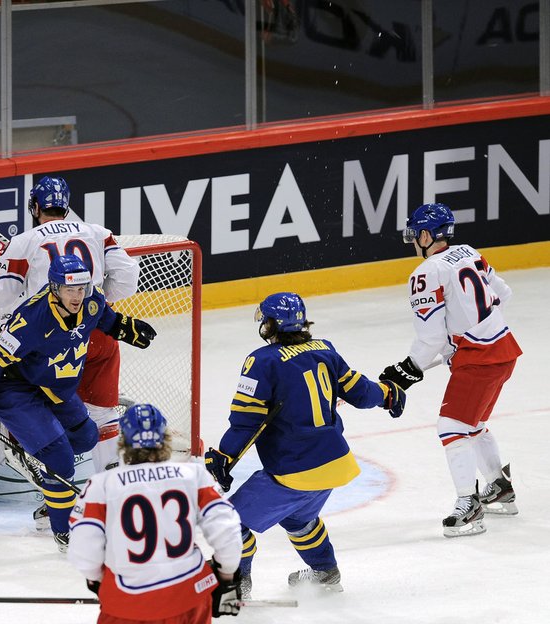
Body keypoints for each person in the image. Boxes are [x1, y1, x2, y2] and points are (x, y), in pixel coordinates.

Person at [204, 292, 405, 597]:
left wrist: (224, 455)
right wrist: (387, 393)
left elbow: (247, 420)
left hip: (295, 469)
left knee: (230, 521)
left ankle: (234, 585)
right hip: (335, 464)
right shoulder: (326, 350)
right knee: (299, 519)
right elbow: (361, 393)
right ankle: (325, 572)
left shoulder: (261, 361)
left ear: (270, 325)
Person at [0, 254, 156, 551]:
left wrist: (125, 327)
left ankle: (44, 466)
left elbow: (104, 317)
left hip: (52, 386)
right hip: (14, 389)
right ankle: (65, 532)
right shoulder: (32, 320)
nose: (77, 296)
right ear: (54, 288)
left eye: (82, 288)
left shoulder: (90, 303)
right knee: (61, 458)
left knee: (87, 436)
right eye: (69, 289)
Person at [0, 175, 140, 503]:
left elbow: (3, 296)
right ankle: (113, 497)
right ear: (66, 205)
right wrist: (91, 304)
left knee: (35, 406)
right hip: (97, 335)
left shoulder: (23, 241)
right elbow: (128, 280)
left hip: (48, 341)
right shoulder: (97, 232)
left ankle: (51, 490)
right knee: (104, 415)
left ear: (34, 207)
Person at [379, 203, 522, 537]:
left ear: (426, 235)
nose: (414, 241)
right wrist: (470, 326)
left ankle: (468, 506)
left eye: (415, 235)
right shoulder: (470, 252)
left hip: (479, 359)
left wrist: (407, 369)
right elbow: (503, 294)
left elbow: (431, 337)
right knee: (474, 424)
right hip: (504, 350)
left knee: (451, 426)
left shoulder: (426, 273)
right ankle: (500, 489)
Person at [68, 403, 245, 624]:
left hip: (126, 606)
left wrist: (99, 581)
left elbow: (83, 548)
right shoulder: (194, 474)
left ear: (123, 442)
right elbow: (227, 529)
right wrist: (226, 577)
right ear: (165, 439)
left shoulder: (101, 485)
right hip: (189, 598)